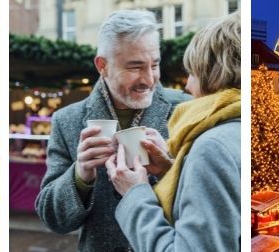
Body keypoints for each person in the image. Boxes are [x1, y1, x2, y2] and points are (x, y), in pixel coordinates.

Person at [35, 10, 191, 251]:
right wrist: (80, 175)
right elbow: (53, 220)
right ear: (103, 65)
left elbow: (207, 206)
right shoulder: (67, 120)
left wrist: (167, 171)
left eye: (155, 64)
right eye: (135, 67)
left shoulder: (185, 109)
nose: (149, 79)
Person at [105, 11, 241, 251]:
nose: (187, 84)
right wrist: (171, 169)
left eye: (193, 71)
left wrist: (135, 193)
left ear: (214, 74)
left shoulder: (212, 146)